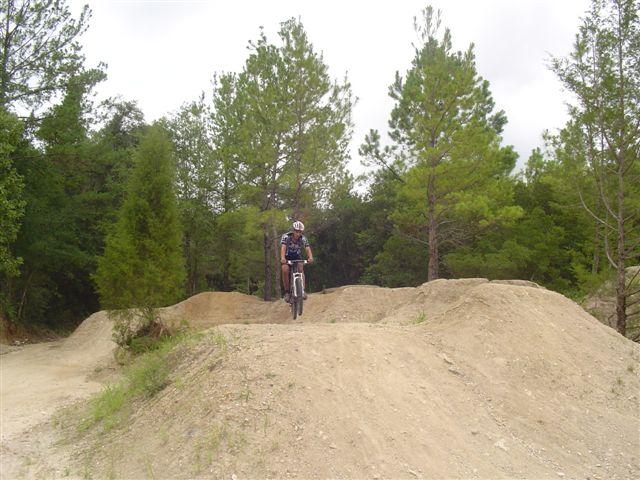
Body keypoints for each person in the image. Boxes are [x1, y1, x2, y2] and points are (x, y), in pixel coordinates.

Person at [280, 221, 314, 303]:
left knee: (300, 268)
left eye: (299, 232)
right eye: (296, 231)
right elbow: (283, 247)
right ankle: (287, 292)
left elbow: (307, 248)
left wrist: (310, 257)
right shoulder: (286, 237)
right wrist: (282, 257)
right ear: (293, 230)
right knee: (285, 269)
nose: (297, 233)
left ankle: (302, 290)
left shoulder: (303, 238)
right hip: (287, 256)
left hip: (297, 256)